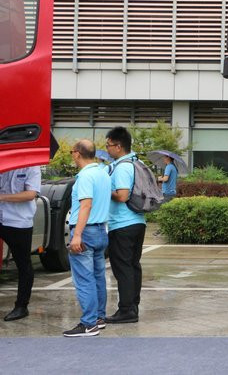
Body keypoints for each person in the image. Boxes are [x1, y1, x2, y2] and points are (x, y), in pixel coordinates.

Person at [64, 139, 111, 337]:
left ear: (77, 153)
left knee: (84, 279)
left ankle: (89, 323)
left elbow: (86, 205)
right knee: (98, 277)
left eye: (72, 152)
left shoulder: (84, 176)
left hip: (85, 232)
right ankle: (99, 318)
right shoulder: (103, 173)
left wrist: (77, 235)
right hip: (101, 231)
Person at [105, 126, 146, 324]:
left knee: (123, 268)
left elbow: (122, 196)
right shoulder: (137, 162)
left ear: (119, 146)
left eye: (108, 145)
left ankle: (126, 310)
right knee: (133, 266)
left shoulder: (122, 167)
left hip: (122, 224)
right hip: (138, 221)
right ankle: (133, 306)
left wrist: (104, 189)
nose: (107, 149)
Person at [0, 165, 41, 321]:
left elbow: (31, 194)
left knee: (23, 264)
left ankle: (21, 306)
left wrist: (2, 197)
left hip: (18, 221)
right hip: (1, 217)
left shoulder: (32, 167)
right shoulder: (4, 162)